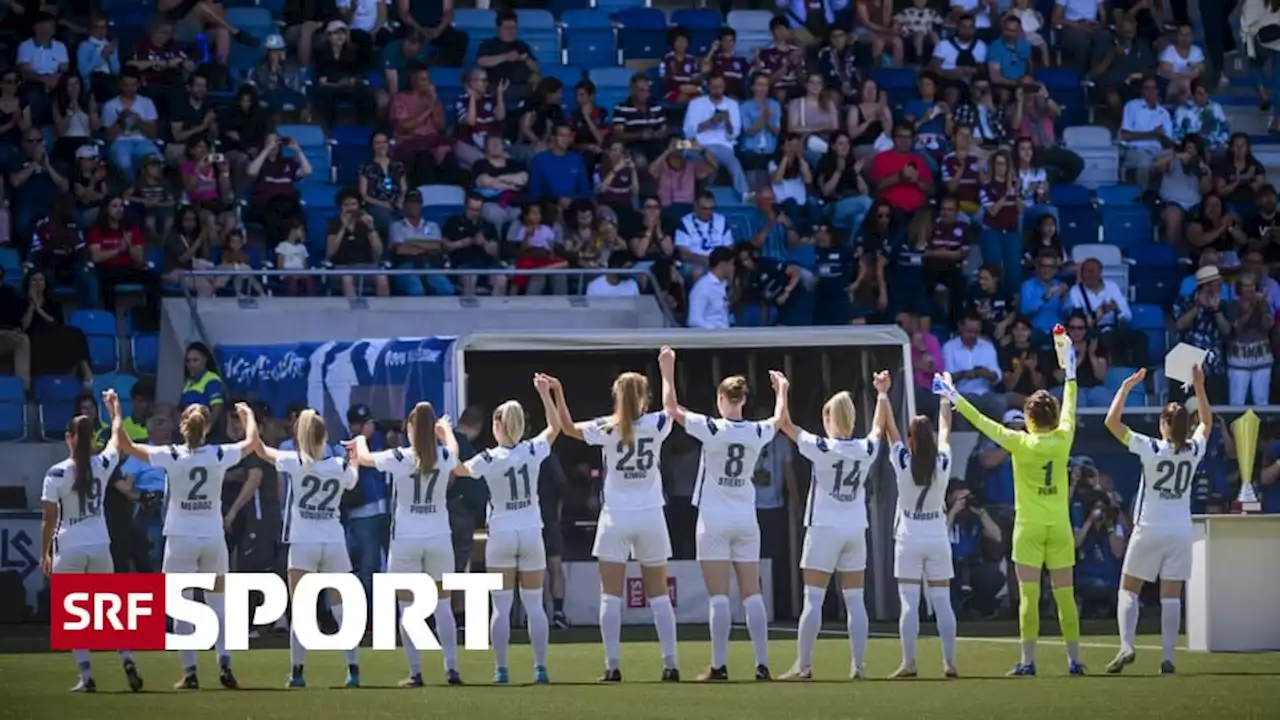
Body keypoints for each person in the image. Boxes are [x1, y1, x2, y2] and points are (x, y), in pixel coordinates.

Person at [933, 340, 1085, 675]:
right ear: (1053, 417)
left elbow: (982, 422)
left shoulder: (1019, 441)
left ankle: (1028, 661)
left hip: (1028, 527)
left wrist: (953, 396)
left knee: (1028, 598)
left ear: (1029, 419)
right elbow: (1071, 405)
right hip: (1059, 527)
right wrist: (1070, 370)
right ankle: (1074, 660)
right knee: (1065, 596)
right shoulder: (1064, 438)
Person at [545, 370, 681, 682]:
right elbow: (672, 407)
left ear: (617, 397)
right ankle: (671, 664)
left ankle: (612, 666)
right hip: (650, 516)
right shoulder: (657, 424)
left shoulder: (607, 427)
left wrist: (558, 391)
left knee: (610, 596)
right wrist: (667, 371)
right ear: (644, 397)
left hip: (616, 517)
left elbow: (566, 428)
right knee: (659, 596)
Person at [115, 400, 259, 690]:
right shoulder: (219, 453)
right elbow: (252, 442)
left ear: (183, 426)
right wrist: (248, 416)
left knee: (181, 605)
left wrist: (115, 412)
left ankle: (191, 672)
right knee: (217, 603)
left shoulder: (172, 455)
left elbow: (126, 445)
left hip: (180, 537)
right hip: (211, 536)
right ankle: (224, 663)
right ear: (206, 427)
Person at [658, 346, 781, 682]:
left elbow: (671, 408)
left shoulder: (712, 428)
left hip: (713, 518)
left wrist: (667, 369)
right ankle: (762, 664)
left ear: (720, 398)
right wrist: (782, 391)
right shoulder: (756, 432)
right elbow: (778, 420)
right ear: (743, 400)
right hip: (746, 518)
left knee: (719, 596)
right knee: (751, 593)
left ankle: (719, 665)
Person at [771, 370, 887, 681]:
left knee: (813, 597)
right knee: (855, 600)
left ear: (828, 419)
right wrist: (883, 394)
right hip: (854, 529)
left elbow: (784, 424)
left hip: (823, 528)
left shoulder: (821, 447)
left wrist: (783, 389)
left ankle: (804, 666)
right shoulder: (865, 449)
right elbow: (879, 428)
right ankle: (858, 665)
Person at [1103, 365, 1210, 676]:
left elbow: (1112, 422)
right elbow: (1206, 422)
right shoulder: (1194, 450)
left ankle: (1126, 645)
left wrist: (1124, 389)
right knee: (1171, 596)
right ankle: (1168, 657)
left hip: (1149, 526)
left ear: (1164, 424)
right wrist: (1200, 386)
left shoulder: (1151, 447)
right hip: (1179, 529)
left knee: (1129, 589)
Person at [347, 402, 463, 687]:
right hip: (438, 537)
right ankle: (451, 668)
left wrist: (361, 437)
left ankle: (416, 672)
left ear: (410, 429)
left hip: (406, 540)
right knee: (443, 606)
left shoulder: (400, 456)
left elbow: (362, 458)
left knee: (407, 607)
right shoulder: (443, 454)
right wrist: (446, 431)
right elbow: (455, 455)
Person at [454, 377, 560, 685]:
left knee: (500, 607)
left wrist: (448, 437)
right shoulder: (532, 450)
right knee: (534, 604)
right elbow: (554, 428)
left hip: (501, 533)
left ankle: (501, 669)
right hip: (530, 532)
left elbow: (459, 469)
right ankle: (540, 667)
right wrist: (545, 395)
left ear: (499, 425)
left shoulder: (489, 457)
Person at [39, 391, 144, 693]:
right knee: (108, 609)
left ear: (69, 438)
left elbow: (48, 518)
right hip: (100, 544)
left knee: (74, 616)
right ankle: (126, 658)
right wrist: (116, 411)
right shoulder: (102, 464)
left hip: (69, 545)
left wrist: (44, 552)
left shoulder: (56, 472)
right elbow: (117, 439)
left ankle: (86, 676)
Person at [254, 409, 361, 689]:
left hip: (303, 542)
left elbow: (260, 449)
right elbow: (353, 479)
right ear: (325, 436)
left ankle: (298, 672)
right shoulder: (338, 464)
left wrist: (249, 421)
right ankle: (353, 668)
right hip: (334, 540)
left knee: (301, 609)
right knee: (340, 608)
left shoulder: (294, 461)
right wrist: (356, 455)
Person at [881, 392, 958, 679]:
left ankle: (909, 662)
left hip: (909, 536)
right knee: (942, 602)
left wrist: (883, 394)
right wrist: (944, 400)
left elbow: (890, 430)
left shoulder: (903, 461)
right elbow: (947, 428)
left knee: (909, 603)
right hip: (937, 535)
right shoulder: (943, 461)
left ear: (911, 440)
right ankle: (949, 662)